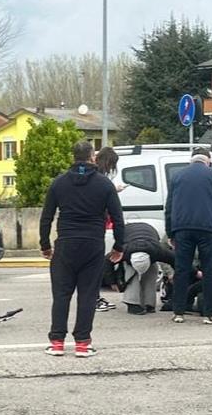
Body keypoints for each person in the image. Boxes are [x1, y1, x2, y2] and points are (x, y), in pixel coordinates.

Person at [40, 141, 125, 358]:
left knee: (61, 295)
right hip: (92, 245)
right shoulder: (104, 184)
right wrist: (118, 246)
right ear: (92, 158)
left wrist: (45, 245)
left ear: (73, 157)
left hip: (66, 243)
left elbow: (47, 217)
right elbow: (118, 218)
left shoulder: (58, 183)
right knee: (87, 295)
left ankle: (57, 342)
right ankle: (82, 344)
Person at [164, 148, 212, 325]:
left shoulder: (177, 176)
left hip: (182, 228)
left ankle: (178, 311)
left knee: (181, 269)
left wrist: (170, 232)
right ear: (208, 160)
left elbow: (169, 206)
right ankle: (210, 313)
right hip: (208, 229)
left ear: (191, 160)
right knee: (210, 270)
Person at [94, 146, 126, 312]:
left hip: (88, 227)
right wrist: (114, 191)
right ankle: (94, 299)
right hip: (96, 226)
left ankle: (94, 298)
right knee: (95, 264)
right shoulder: (100, 178)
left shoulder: (94, 175)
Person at [118, 222, 175, 315]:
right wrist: (112, 282)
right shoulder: (123, 252)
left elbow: (175, 261)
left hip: (150, 241)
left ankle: (144, 303)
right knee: (132, 272)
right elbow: (107, 263)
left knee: (151, 271)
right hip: (130, 239)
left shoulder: (159, 251)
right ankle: (136, 303)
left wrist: (172, 274)